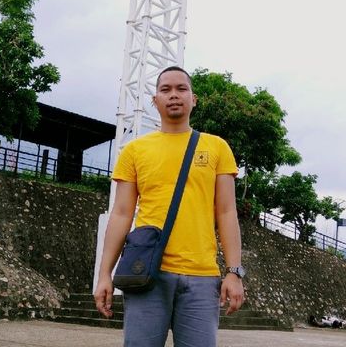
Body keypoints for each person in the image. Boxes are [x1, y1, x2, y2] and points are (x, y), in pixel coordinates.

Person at [94, 65, 245, 347]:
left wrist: (234, 272)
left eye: (181, 89)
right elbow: (121, 214)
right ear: (155, 101)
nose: (173, 95)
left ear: (193, 98)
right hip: (147, 273)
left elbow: (226, 212)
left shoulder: (217, 147)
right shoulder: (135, 151)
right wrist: (104, 274)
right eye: (165, 89)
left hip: (202, 278)